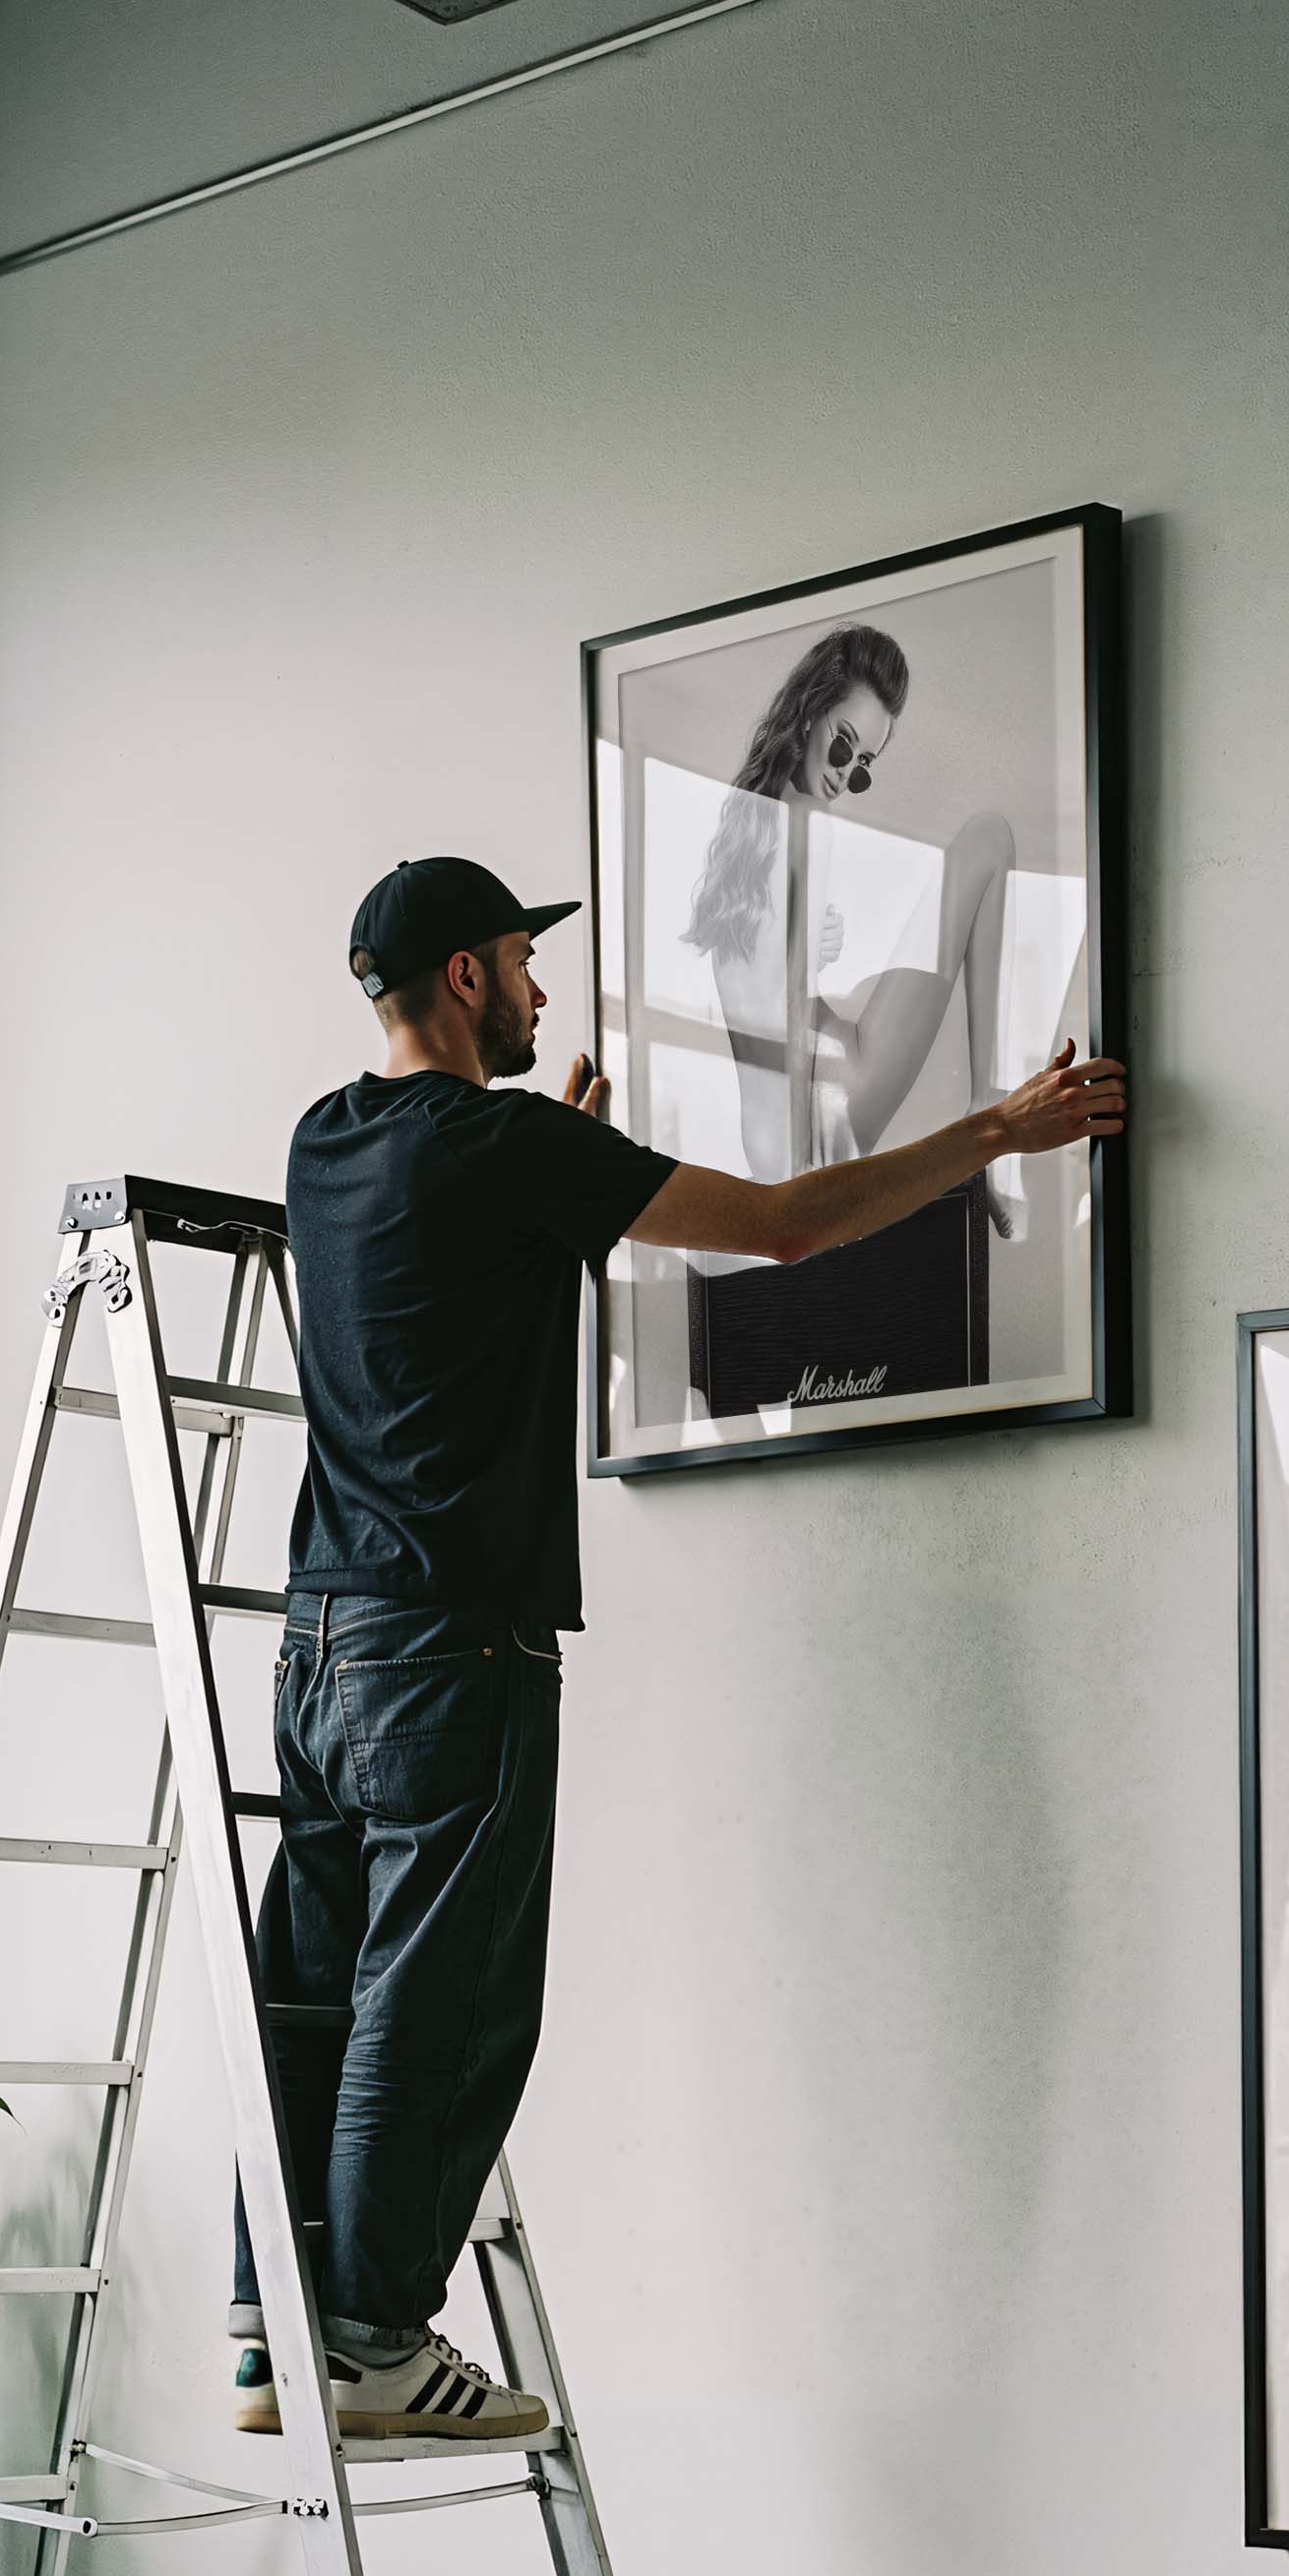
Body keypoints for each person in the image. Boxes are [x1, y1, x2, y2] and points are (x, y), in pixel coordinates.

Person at [231, 852, 1125, 2442]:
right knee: (437, 2002)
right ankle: (369, 2340)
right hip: (450, 1650)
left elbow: (451, 1293)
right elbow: (782, 1229)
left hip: (319, 1642)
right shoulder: (504, 1146)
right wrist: (1000, 1128)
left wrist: (561, 1174)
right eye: (522, 960)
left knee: (309, 1988)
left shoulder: (326, 1140)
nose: (540, 988)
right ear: (463, 977)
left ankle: (268, 2331)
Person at [683, 625, 1026, 1233]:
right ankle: (989, 1115)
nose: (845, 775)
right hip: (819, 1117)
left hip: (765, 1136)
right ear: (809, 712)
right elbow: (791, 1004)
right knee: (989, 838)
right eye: (844, 746)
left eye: (864, 765)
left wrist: (815, 949)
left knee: (864, 987)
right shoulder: (811, 821)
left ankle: (986, 1116)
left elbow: (764, 992)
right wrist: (803, 1179)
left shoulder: (749, 828)